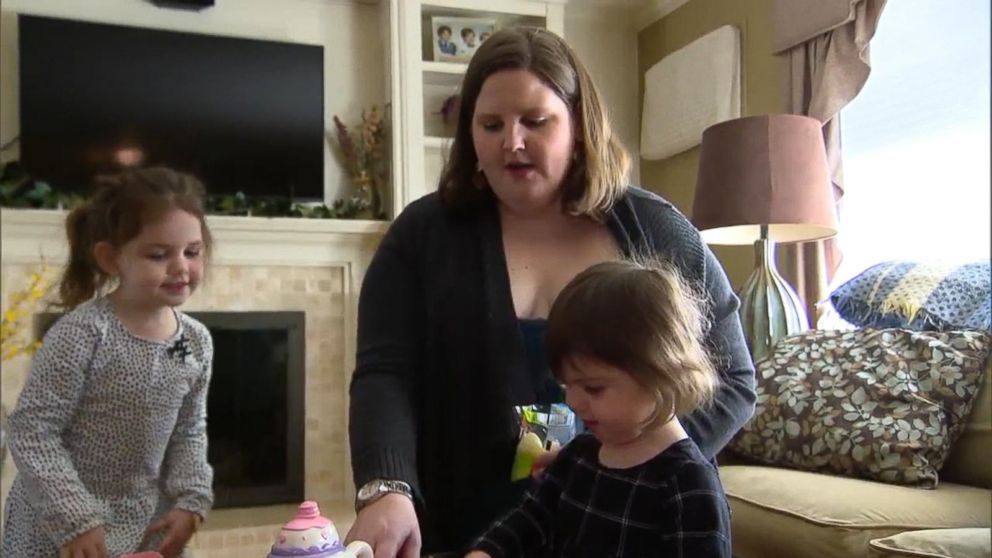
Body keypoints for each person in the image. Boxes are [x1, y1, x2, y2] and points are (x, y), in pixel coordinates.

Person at [345, 27, 755, 557]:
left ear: (580, 125)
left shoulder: (657, 229)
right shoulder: (419, 236)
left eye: (535, 122)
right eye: (490, 124)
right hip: (461, 533)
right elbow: (384, 373)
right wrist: (386, 487)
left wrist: (623, 465)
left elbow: (734, 381)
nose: (511, 142)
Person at [2, 167, 215, 558]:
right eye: (158, 255)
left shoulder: (196, 341)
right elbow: (32, 431)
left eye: (192, 252)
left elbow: (189, 431)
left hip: (143, 523)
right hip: (59, 530)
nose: (181, 267)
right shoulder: (82, 334)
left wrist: (190, 501)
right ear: (111, 258)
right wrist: (75, 520)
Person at [466, 259, 731, 557]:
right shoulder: (578, 456)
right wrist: (486, 552)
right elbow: (532, 520)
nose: (573, 403)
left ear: (662, 375)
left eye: (593, 388)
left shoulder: (689, 485)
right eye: (567, 386)